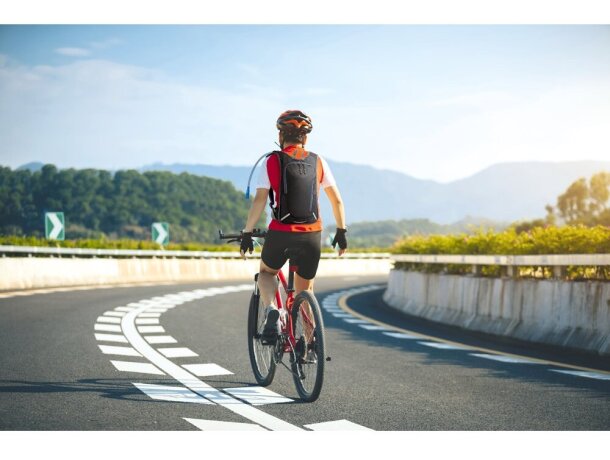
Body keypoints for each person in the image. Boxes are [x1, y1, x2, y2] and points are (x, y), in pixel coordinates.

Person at [240, 109, 348, 342]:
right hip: (311, 235)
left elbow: (260, 200)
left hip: (280, 233)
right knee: (305, 290)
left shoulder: (271, 161)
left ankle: (271, 311)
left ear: (280, 136)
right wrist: (341, 232)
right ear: (305, 138)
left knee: (267, 273)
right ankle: (310, 343)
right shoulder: (318, 161)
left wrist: (247, 232)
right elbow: (337, 200)